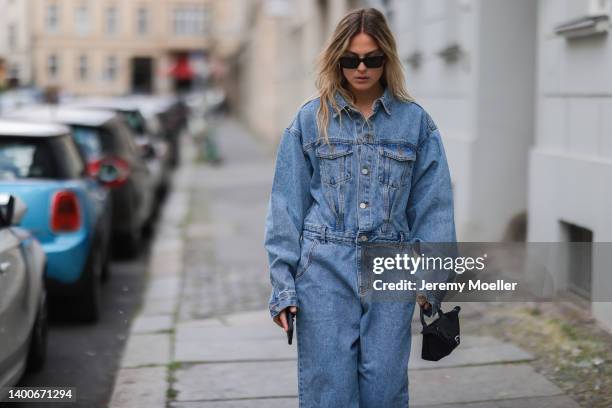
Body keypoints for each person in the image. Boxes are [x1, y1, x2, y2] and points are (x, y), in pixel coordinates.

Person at [264, 7, 456, 408]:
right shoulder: (309, 120)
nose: (362, 68)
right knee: (329, 390)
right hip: (324, 267)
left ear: (387, 58)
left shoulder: (415, 123)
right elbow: (286, 206)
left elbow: (433, 207)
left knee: (385, 388)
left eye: (373, 58)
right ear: (337, 59)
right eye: (351, 59)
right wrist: (283, 286)